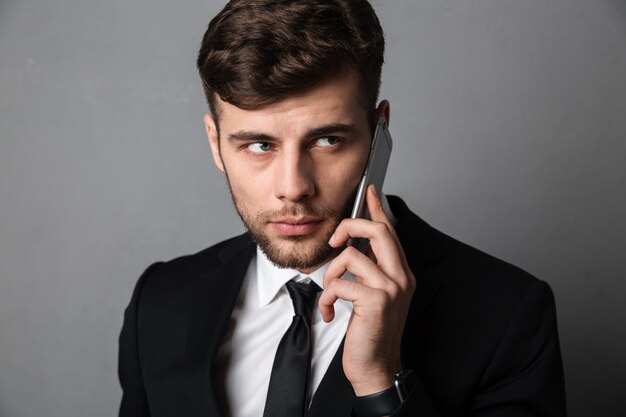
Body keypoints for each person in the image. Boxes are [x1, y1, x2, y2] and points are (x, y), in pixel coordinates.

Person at [118, 1, 567, 416]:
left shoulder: (507, 314)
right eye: (258, 145)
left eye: (327, 140)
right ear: (216, 145)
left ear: (378, 135)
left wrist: (381, 383)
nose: (293, 188)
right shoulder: (159, 304)